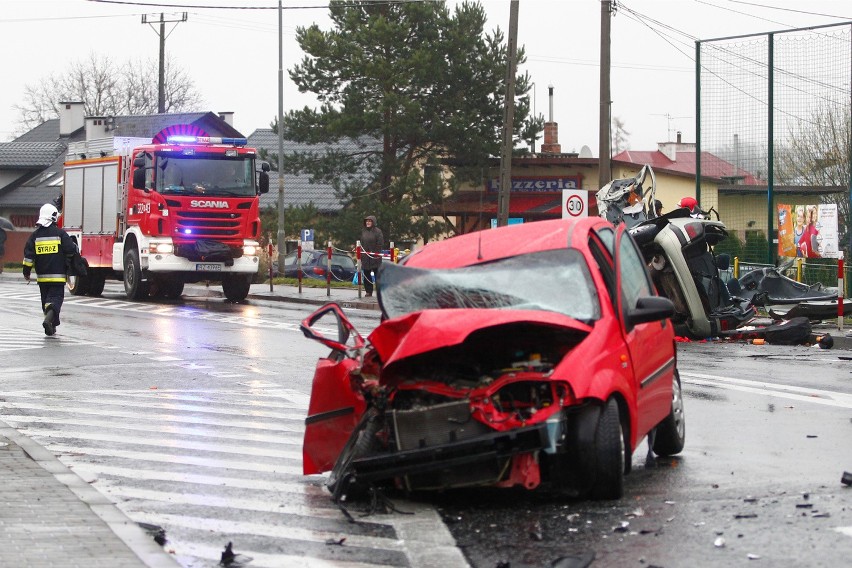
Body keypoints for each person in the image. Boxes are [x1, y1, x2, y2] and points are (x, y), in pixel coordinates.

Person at [22, 204, 78, 336]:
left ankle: (52, 325)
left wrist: (26, 271)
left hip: (42, 278)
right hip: (58, 277)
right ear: (53, 217)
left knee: (46, 301)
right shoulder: (60, 234)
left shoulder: (35, 236)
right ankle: (48, 321)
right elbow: (71, 249)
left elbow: (28, 256)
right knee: (55, 300)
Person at [359, 215, 384, 297]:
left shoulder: (378, 231)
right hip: (365, 257)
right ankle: (368, 291)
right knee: (366, 275)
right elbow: (361, 243)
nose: (368, 222)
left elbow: (380, 244)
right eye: (367, 221)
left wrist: (374, 254)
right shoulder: (363, 231)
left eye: (369, 221)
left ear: (373, 222)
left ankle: (379, 292)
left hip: (375, 257)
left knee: (377, 275)